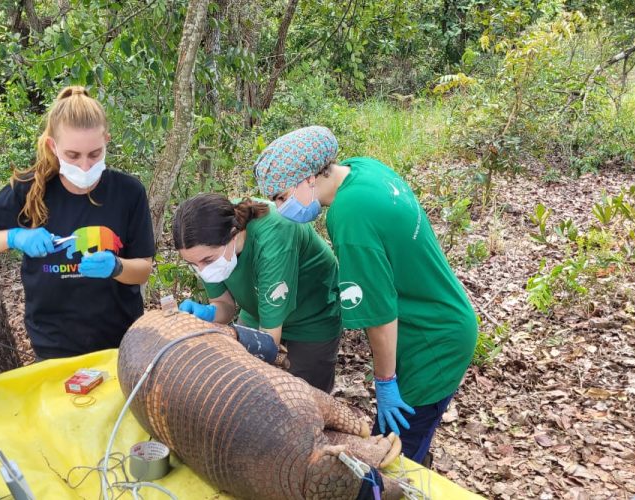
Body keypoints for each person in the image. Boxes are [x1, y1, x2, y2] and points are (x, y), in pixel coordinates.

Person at [252, 125, 477, 465]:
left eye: (282, 196)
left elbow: (380, 314)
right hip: (445, 315)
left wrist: (385, 382)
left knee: (394, 458)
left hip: (431, 342)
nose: (281, 207)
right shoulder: (362, 168)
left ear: (309, 178)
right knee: (410, 439)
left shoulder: (349, 215)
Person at [0, 86, 155, 359]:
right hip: (54, 346)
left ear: (107, 141)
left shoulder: (129, 192)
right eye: (73, 155)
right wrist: (14, 237)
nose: (85, 166)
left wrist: (116, 266)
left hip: (120, 343)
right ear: (53, 146)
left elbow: (143, 269)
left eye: (95, 154)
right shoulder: (28, 188)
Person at [172, 194, 342, 392]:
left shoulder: (274, 233)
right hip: (257, 314)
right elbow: (224, 307)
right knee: (237, 385)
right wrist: (207, 313)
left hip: (311, 318)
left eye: (208, 261)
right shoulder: (207, 242)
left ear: (233, 235)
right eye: (193, 264)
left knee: (304, 398)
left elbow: (268, 341)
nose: (202, 270)